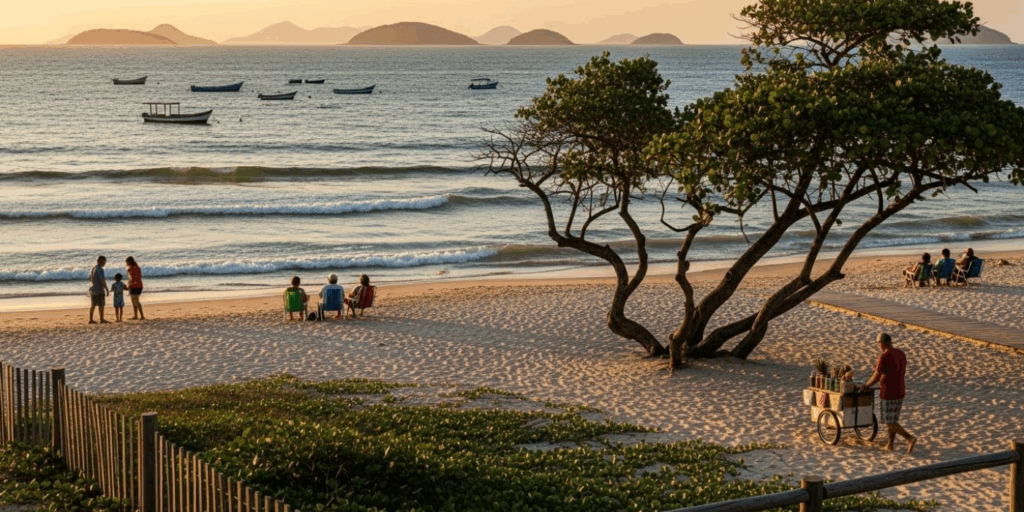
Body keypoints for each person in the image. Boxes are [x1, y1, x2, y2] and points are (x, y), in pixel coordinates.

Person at [860, 333, 916, 454]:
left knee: (889, 421)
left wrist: (866, 386)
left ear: (881, 343)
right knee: (893, 420)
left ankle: (909, 438)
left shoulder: (884, 356)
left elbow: (876, 376)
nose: (878, 346)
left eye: (878, 343)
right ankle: (890, 444)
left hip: (888, 392)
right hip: (900, 390)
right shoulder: (901, 353)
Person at [88, 256, 110, 324]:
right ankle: (101, 319)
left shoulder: (93, 268)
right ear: (101, 261)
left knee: (93, 305)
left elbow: (90, 278)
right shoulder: (100, 269)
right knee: (101, 305)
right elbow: (102, 280)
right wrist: (107, 289)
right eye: (104, 261)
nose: (105, 263)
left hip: (93, 289)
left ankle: (91, 319)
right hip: (99, 289)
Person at [125, 256, 145, 320]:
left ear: (129, 262)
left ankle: (137, 316)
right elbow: (139, 277)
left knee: (134, 302)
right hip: (139, 285)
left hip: (133, 286)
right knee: (136, 301)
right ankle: (140, 315)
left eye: (126, 262)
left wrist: (128, 286)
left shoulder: (129, 269)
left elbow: (131, 279)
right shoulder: (138, 268)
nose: (126, 263)